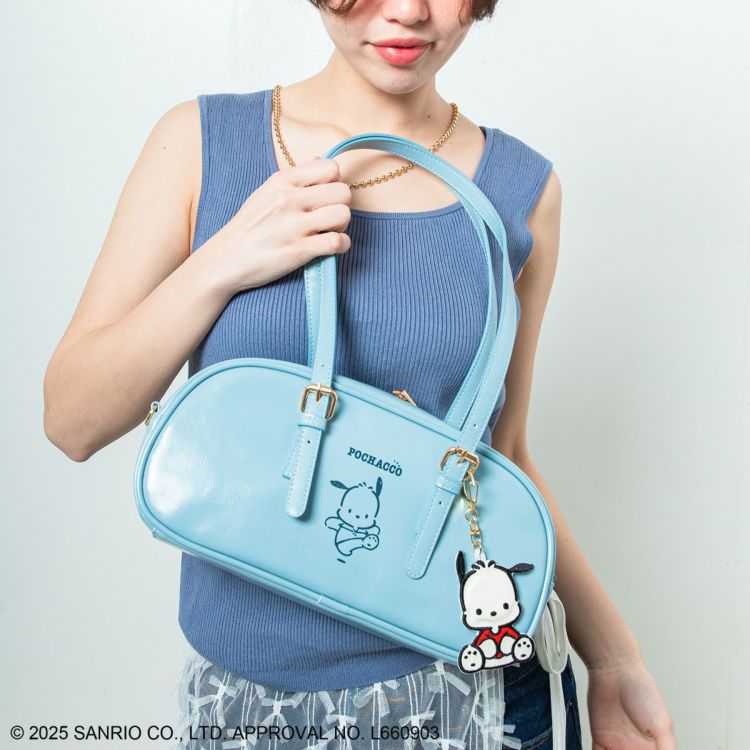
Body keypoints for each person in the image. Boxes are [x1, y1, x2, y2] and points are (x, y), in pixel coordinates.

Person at [42, 1, 677, 748]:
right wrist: (227, 259)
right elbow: (73, 422)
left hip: (466, 696)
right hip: (247, 710)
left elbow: (500, 457)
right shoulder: (201, 144)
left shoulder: (521, 192)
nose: (408, 11)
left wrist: (615, 660)